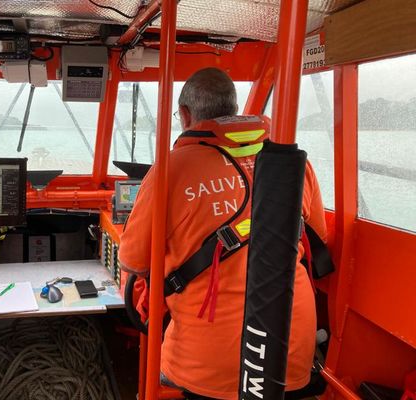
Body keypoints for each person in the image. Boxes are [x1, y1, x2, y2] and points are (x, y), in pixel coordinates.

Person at [118, 68, 327, 400]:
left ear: (185, 116)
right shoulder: (293, 164)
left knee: (151, 367)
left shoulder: (171, 168)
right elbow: (318, 239)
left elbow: (132, 260)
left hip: (208, 364)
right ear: (233, 109)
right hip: (290, 354)